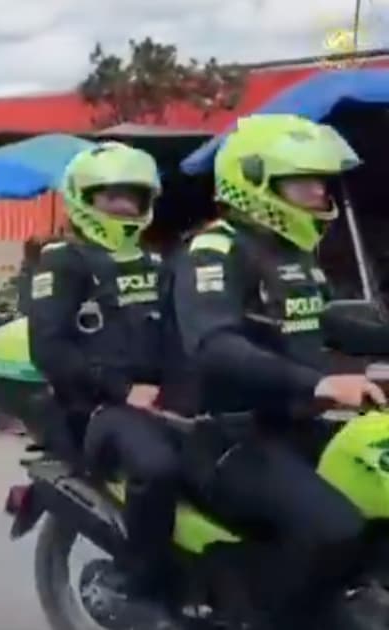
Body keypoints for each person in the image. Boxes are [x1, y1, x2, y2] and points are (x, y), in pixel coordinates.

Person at [166, 114, 383, 629]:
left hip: (302, 426)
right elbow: (216, 346)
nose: (319, 193)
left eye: (321, 181)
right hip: (231, 435)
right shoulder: (215, 252)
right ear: (255, 181)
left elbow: (333, 327)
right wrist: (321, 382)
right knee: (337, 529)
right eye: (303, 182)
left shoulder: (296, 256)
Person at [27, 141, 181, 625]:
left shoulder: (153, 263)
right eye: (112, 197)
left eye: (134, 197)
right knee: (157, 468)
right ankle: (139, 583)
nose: (125, 207)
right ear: (84, 199)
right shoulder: (63, 262)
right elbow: (49, 348)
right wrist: (121, 390)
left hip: (156, 399)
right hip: (95, 408)